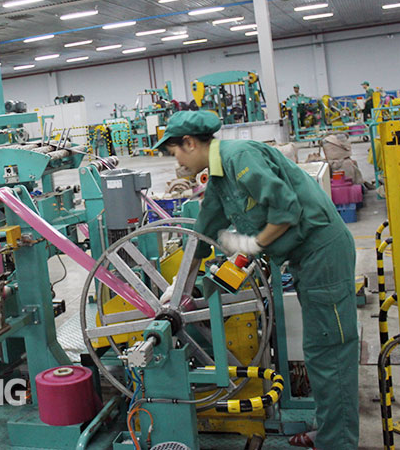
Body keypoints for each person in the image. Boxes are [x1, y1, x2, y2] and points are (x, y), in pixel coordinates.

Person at [152, 111, 359, 450]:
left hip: (323, 253)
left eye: (174, 150)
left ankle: (339, 442)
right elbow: (204, 231)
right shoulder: (218, 178)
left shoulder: (240, 157)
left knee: (330, 352)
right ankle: (332, 429)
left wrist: (254, 244)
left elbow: (286, 211)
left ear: (189, 143)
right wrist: (181, 288)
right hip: (307, 258)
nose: (175, 160)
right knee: (318, 352)